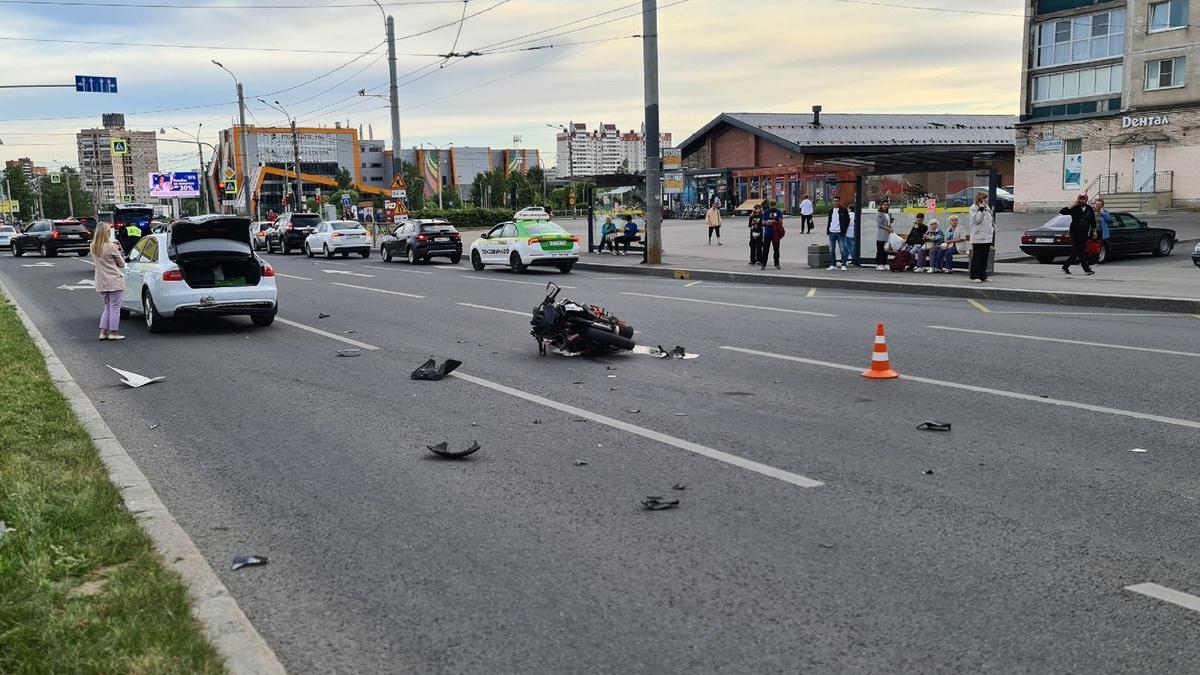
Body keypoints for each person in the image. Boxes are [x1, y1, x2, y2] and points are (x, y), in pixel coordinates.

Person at [91, 223, 126, 340]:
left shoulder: (93, 246)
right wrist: (118, 251)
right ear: (106, 233)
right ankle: (113, 333)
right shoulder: (111, 247)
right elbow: (121, 263)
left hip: (101, 281)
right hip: (114, 280)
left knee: (107, 307)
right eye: (109, 230)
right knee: (115, 307)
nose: (110, 232)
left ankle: (103, 333)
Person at [1059, 192, 1096, 276]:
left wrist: (1094, 231)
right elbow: (1062, 211)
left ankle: (1065, 266)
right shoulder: (1075, 207)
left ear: (1086, 200)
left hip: (1084, 231)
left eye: (1084, 199)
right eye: (1081, 199)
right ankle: (1086, 269)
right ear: (1078, 199)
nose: (1082, 200)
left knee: (1079, 250)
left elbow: (1092, 220)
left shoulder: (1089, 208)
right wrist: (1072, 205)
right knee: (1080, 251)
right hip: (1075, 231)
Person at [968, 192, 996, 282]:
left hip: (987, 236)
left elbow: (989, 220)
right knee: (977, 257)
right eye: (984, 198)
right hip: (978, 237)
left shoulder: (987, 207)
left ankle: (983, 275)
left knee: (985, 257)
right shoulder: (973, 208)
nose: (986, 200)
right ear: (979, 199)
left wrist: (992, 229)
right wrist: (980, 210)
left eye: (986, 198)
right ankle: (975, 276)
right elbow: (977, 221)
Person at [826, 195, 850, 270]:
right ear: (832, 202)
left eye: (837, 201)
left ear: (839, 202)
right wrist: (829, 230)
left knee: (842, 249)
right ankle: (833, 264)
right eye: (834, 201)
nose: (836, 202)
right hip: (831, 232)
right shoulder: (830, 211)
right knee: (831, 249)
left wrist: (844, 229)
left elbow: (847, 220)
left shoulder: (843, 210)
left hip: (840, 233)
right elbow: (830, 221)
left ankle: (843, 264)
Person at [760, 200, 783, 269]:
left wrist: (768, 222)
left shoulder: (766, 211)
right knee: (776, 249)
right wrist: (774, 222)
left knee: (765, 249)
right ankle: (776, 264)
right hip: (775, 233)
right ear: (775, 204)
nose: (772, 206)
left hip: (768, 232)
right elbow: (781, 222)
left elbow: (763, 222)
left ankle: (763, 264)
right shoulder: (778, 211)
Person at [874, 201, 894, 270]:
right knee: (880, 250)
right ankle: (878, 264)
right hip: (881, 234)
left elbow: (888, 224)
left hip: (887, 234)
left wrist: (890, 228)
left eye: (887, 205)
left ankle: (884, 263)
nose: (886, 206)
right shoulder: (879, 214)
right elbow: (879, 225)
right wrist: (888, 228)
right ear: (881, 206)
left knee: (886, 250)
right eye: (884, 205)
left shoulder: (888, 214)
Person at [1093, 198, 1112, 264]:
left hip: (1101, 232)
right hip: (1092, 232)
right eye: (1097, 204)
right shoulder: (1091, 211)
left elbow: (1109, 220)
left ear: (1102, 205)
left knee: (1099, 247)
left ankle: (1097, 260)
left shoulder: (1105, 212)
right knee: (1091, 246)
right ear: (1094, 204)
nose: (1098, 205)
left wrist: (1102, 213)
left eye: (1099, 204)